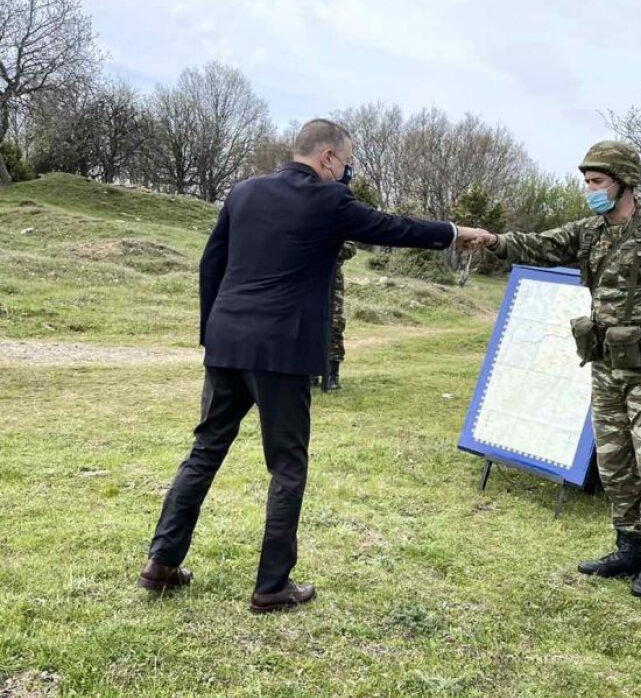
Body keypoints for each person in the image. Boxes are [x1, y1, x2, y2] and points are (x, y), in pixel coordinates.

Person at [138, 119, 483, 613]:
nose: (345, 175)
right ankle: (272, 586)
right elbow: (394, 227)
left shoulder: (243, 193)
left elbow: (209, 265)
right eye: (345, 165)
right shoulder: (328, 200)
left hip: (227, 344)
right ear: (326, 158)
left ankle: (160, 564)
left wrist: (213, 333)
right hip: (280, 351)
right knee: (287, 464)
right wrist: (454, 232)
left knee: (206, 449)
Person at [477, 140, 641, 598]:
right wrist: (493, 241)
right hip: (606, 365)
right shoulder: (591, 231)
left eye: (597, 182)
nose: (590, 190)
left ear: (623, 183)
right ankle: (627, 547)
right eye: (587, 183)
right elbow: (542, 245)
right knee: (614, 460)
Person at [312, 242, 357, 391]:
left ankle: (332, 374)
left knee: (334, 326)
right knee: (309, 326)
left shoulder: (336, 221)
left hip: (332, 281)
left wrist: (328, 246)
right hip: (308, 280)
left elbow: (350, 249)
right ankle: (310, 372)